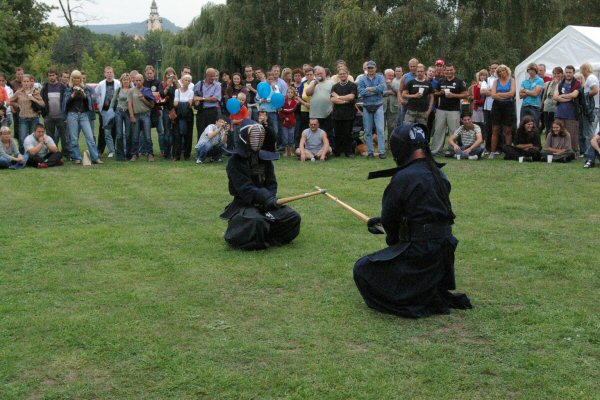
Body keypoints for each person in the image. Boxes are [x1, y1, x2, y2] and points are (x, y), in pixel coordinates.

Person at [353, 123, 472, 318]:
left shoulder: (403, 178)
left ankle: (411, 301)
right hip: (441, 253)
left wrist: (393, 237)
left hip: (421, 252)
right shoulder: (438, 173)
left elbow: (392, 223)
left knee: (363, 269)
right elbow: (425, 215)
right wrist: (383, 222)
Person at [220, 121, 301, 250]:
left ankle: (268, 237)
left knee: (293, 217)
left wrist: (271, 198)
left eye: (260, 137)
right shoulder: (234, 162)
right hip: (244, 204)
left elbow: (271, 183)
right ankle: (259, 235)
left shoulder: (264, 158)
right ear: (245, 137)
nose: (257, 140)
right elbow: (245, 188)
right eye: (253, 136)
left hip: (267, 203)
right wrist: (265, 198)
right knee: (256, 222)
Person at [62, 70, 102, 164]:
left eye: (78, 78)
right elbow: (65, 104)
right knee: (74, 138)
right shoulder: (68, 89)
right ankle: (77, 157)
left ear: (81, 79)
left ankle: (95, 157)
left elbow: (90, 103)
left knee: (90, 137)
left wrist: (85, 96)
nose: (76, 79)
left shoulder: (86, 88)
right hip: (72, 114)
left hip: (84, 115)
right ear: (72, 78)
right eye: (75, 78)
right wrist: (72, 95)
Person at [431, 63, 468, 156]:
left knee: (454, 131)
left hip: (454, 110)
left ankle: (453, 151)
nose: (449, 72)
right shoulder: (441, 81)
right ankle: (436, 151)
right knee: (438, 130)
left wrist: (453, 95)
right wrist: (440, 92)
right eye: (447, 70)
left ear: (454, 70)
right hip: (441, 109)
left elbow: (465, 94)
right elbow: (434, 92)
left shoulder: (459, 81)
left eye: (451, 70)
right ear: (444, 71)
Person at [357, 60, 387, 158]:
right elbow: (361, 91)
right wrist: (375, 90)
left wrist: (370, 88)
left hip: (378, 105)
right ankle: (370, 152)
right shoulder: (362, 79)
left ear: (375, 68)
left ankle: (382, 152)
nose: (370, 69)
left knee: (380, 130)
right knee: (368, 131)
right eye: (368, 68)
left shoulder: (380, 77)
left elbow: (383, 87)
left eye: (372, 68)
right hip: (367, 106)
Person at [9, 74, 44, 149]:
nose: (26, 83)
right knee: (22, 138)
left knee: (34, 138)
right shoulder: (18, 92)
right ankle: (22, 156)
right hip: (23, 119)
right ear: (22, 82)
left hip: (34, 118)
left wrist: (34, 99)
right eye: (24, 81)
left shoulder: (35, 92)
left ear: (30, 82)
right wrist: (17, 105)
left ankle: (33, 156)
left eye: (27, 81)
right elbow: (10, 101)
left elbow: (43, 104)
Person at [41, 68, 70, 159]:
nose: (51, 77)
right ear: (48, 77)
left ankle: (67, 154)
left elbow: (67, 102)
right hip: (49, 116)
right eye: (49, 75)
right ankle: (53, 154)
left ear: (57, 75)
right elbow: (42, 101)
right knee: (50, 137)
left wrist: (65, 116)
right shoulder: (45, 87)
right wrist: (44, 114)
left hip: (61, 116)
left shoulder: (62, 87)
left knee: (64, 137)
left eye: (53, 75)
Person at [489, 64, 516, 158]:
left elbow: (512, 93)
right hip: (497, 106)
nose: (501, 73)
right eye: (499, 71)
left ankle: (508, 152)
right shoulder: (496, 81)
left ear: (506, 71)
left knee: (508, 130)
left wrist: (499, 94)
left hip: (508, 106)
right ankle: (492, 152)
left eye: (503, 70)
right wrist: (505, 95)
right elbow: (493, 95)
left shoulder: (512, 80)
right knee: (495, 129)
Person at [553, 65, 581, 154]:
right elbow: (555, 97)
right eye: (567, 72)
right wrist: (567, 98)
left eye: (570, 72)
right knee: (558, 133)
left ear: (573, 73)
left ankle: (573, 152)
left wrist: (561, 96)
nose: (568, 74)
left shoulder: (577, 84)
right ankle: (558, 150)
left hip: (572, 114)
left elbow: (574, 95)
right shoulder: (560, 84)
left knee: (572, 134)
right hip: (560, 113)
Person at [331, 67, 358, 157]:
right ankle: (337, 152)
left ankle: (348, 152)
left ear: (347, 74)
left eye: (344, 73)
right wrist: (345, 100)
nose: (342, 75)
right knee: (338, 134)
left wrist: (338, 97)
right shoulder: (335, 86)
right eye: (340, 74)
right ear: (338, 75)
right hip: (337, 115)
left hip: (349, 114)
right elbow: (333, 99)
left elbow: (351, 97)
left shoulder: (352, 85)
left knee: (348, 134)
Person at [128, 73, 156, 162]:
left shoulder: (147, 90)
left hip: (146, 114)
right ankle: (134, 154)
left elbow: (152, 105)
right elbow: (129, 104)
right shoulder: (131, 91)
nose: (138, 82)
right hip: (136, 115)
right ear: (134, 81)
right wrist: (131, 115)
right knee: (135, 136)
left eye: (140, 80)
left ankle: (150, 154)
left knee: (147, 136)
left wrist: (144, 99)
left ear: (143, 80)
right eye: (136, 80)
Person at [95, 66, 121, 157]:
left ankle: (113, 150)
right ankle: (100, 149)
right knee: (103, 131)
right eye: (107, 72)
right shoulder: (101, 84)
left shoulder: (118, 83)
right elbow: (95, 95)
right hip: (105, 111)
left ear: (113, 73)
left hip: (116, 110)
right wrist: (99, 104)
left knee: (116, 130)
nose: (109, 74)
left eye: (111, 72)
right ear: (104, 74)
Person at [110, 73, 133, 161]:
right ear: (121, 81)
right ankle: (120, 155)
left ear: (130, 81)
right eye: (124, 80)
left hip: (128, 112)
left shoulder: (132, 90)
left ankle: (129, 154)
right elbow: (113, 100)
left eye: (127, 80)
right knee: (119, 134)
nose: (126, 81)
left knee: (128, 134)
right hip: (119, 111)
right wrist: (110, 111)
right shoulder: (118, 89)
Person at [173, 74, 195, 161]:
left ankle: (187, 155)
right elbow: (175, 104)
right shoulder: (177, 91)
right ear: (182, 81)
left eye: (189, 81)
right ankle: (177, 155)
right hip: (179, 115)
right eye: (185, 80)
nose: (187, 82)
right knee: (177, 135)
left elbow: (190, 104)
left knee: (188, 135)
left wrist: (180, 103)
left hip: (188, 115)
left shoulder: (191, 92)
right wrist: (183, 103)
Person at [580, 63, 599, 155]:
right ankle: (590, 150)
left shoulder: (591, 78)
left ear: (585, 69)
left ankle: (590, 151)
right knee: (589, 129)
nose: (581, 72)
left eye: (582, 70)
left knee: (589, 130)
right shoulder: (592, 78)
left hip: (591, 108)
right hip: (593, 107)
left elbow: (595, 90)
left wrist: (585, 96)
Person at [278, 87, 299, 157]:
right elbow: (280, 112)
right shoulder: (283, 101)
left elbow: (291, 110)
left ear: (293, 94)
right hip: (284, 122)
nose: (290, 94)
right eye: (288, 92)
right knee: (285, 137)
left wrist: (282, 110)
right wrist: (284, 117)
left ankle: (292, 151)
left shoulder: (295, 102)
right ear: (286, 93)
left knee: (291, 136)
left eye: (291, 93)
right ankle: (286, 152)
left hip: (292, 122)